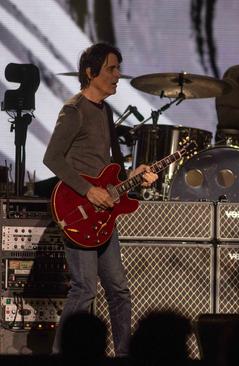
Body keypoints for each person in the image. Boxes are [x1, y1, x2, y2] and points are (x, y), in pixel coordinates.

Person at [43, 43, 158, 356]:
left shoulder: (104, 111)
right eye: (111, 69)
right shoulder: (74, 109)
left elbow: (110, 172)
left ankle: (123, 353)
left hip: (103, 213)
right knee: (84, 289)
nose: (117, 75)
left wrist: (137, 174)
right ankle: (62, 354)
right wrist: (87, 190)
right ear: (91, 72)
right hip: (79, 210)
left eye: (118, 68)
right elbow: (52, 157)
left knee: (118, 289)